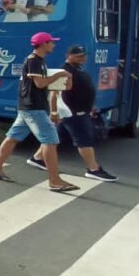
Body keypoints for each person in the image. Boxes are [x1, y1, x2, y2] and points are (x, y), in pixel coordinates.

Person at [0, 32, 78, 192]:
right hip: (33, 108)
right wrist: (60, 74)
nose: (54, 45)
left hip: (28, 107)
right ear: (44, 44)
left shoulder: (39, 61)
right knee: (50, 141)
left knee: (13, 137)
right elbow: (40, 83)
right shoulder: (34, 61)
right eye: (51, 42)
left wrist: (63, 80)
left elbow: (42, 84)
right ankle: (55, 180)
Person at [25, 45, 118, 181]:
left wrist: (89, 106)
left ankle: (38, 158)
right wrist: (55, 112)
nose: (83, 59)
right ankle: (94, 169)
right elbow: (54, 94)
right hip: (73, 112)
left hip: (77, 110)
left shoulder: (77, 70)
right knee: (84, 140)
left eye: (84, 56)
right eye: (79, 56)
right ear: (69, 56)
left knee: (54, 136)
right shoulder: (64, 71)